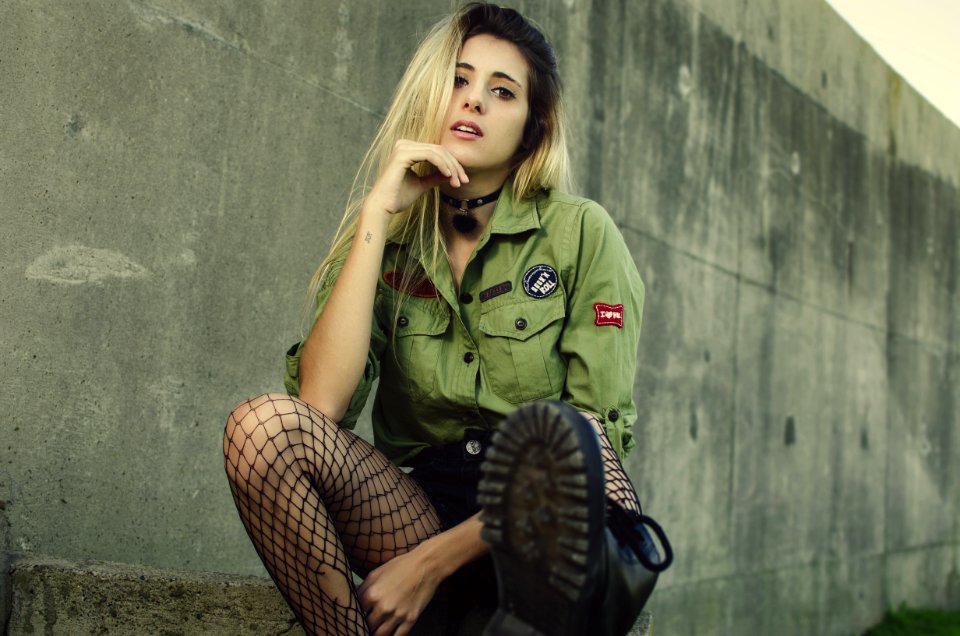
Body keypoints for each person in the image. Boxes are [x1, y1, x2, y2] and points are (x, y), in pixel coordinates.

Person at [223, 3, 671, 635]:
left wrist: (427, 566)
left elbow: (589, 446)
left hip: (545, 515)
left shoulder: (579, 233)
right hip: (421, 504)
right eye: (460, 80)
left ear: (532, 128)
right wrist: (378, 212)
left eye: (501, 91)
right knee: (262, 430)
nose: (474, 102)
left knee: (579, 438)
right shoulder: (392, 238)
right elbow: (320, 407)